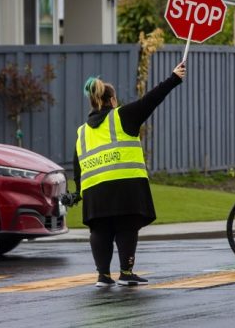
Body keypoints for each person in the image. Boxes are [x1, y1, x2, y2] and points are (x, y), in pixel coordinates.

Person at [69, 61, 186, 287]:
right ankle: (126, 272)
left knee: (100, 229)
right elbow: (150, 100)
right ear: (112, 100)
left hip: (94, 192)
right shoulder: (121, 116)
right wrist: (174, 78)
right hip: (124, 188)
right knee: (126, 227)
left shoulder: (82, 132)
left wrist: (78, 192)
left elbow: (77, 165)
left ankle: (103, 275)